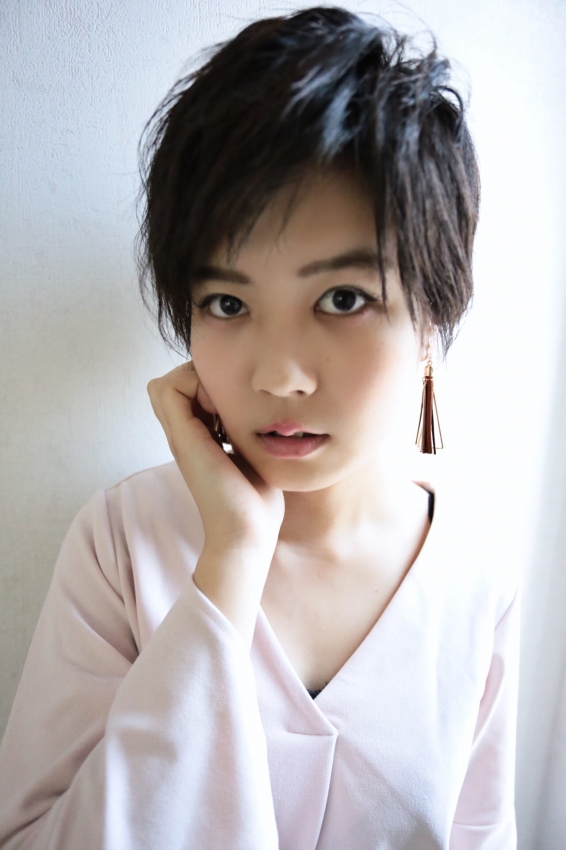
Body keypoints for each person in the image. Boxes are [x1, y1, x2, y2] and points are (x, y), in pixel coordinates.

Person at [0, 6, 520, 849]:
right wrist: (229, 565)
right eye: (227, 303)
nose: (279, 376)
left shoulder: (476, 576)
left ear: (432, 321)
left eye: (342, 299)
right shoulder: (121, 544)